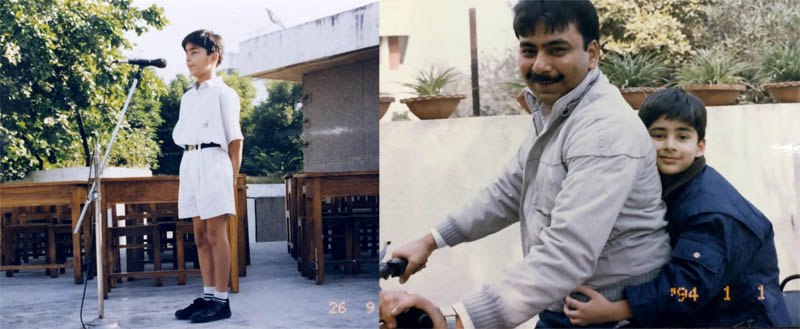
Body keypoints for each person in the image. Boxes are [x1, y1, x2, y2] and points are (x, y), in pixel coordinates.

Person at [379, 1, 672, 328]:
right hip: (566, 303)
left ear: (592, 54)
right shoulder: (557, 113)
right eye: (529, 51)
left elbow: (566, 255)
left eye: (556, 49)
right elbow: (507, 192)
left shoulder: (604, 129)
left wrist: (457, 321)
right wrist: (430, 240)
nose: (541, 66)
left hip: (611, 314)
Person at [563, 88, 792, 327]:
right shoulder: (660, 186)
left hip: (737, 320)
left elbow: (688, 288)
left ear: (700, 146)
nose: (670, 145)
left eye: (682, 137)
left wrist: (614, 310)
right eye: (659, 135)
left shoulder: (712, 213)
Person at [171, 29, 243, 324]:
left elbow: (235, 139)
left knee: (216, 234)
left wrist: (232, 178)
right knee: (199, 235)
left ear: (213, 57)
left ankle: (222, 301)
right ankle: (208, 295)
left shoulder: (225, 93)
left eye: (194, 52)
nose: (188, 58)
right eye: (186, 53)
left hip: (215, 161)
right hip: (190, 161)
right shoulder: (188, 97)